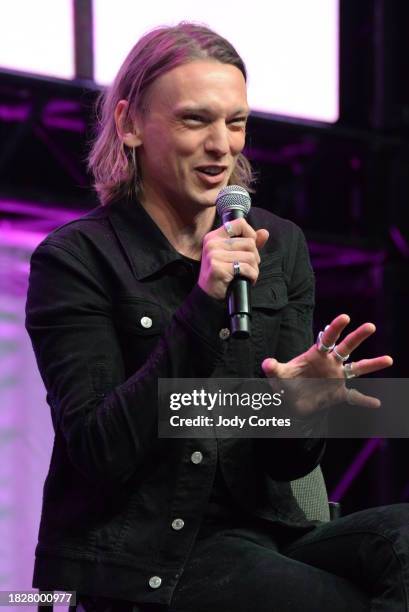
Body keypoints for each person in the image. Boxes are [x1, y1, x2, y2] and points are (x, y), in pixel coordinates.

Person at [25, 23, 409, 612]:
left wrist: (302, 412)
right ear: (129, 124)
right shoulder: (76, 259)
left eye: (235, 122)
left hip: (281, 534)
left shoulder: (279, 244)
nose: (221, 146)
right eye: (194, 120)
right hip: (157, 557)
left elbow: (284, 460)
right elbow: (99, 447)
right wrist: (204, 303)